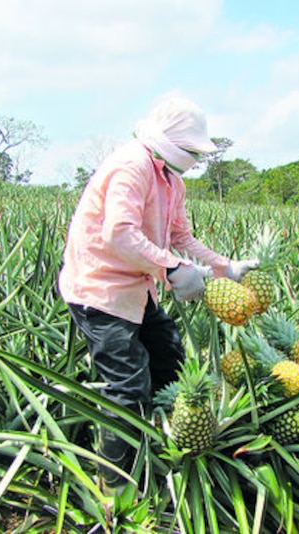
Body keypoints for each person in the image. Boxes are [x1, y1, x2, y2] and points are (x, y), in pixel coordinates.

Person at [58, 96, 257, 491]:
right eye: (192, 151)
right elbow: (120, 233)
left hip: (137, 285)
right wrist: (172, 268)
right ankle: (115, 487)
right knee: (128, 387)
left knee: (169, 360)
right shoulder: (131, 166)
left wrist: (224, 267)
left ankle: (165, 445)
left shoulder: (171, 179)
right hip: (99, 289)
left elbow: (180, 235)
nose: (195, 159)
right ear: (170, 143)